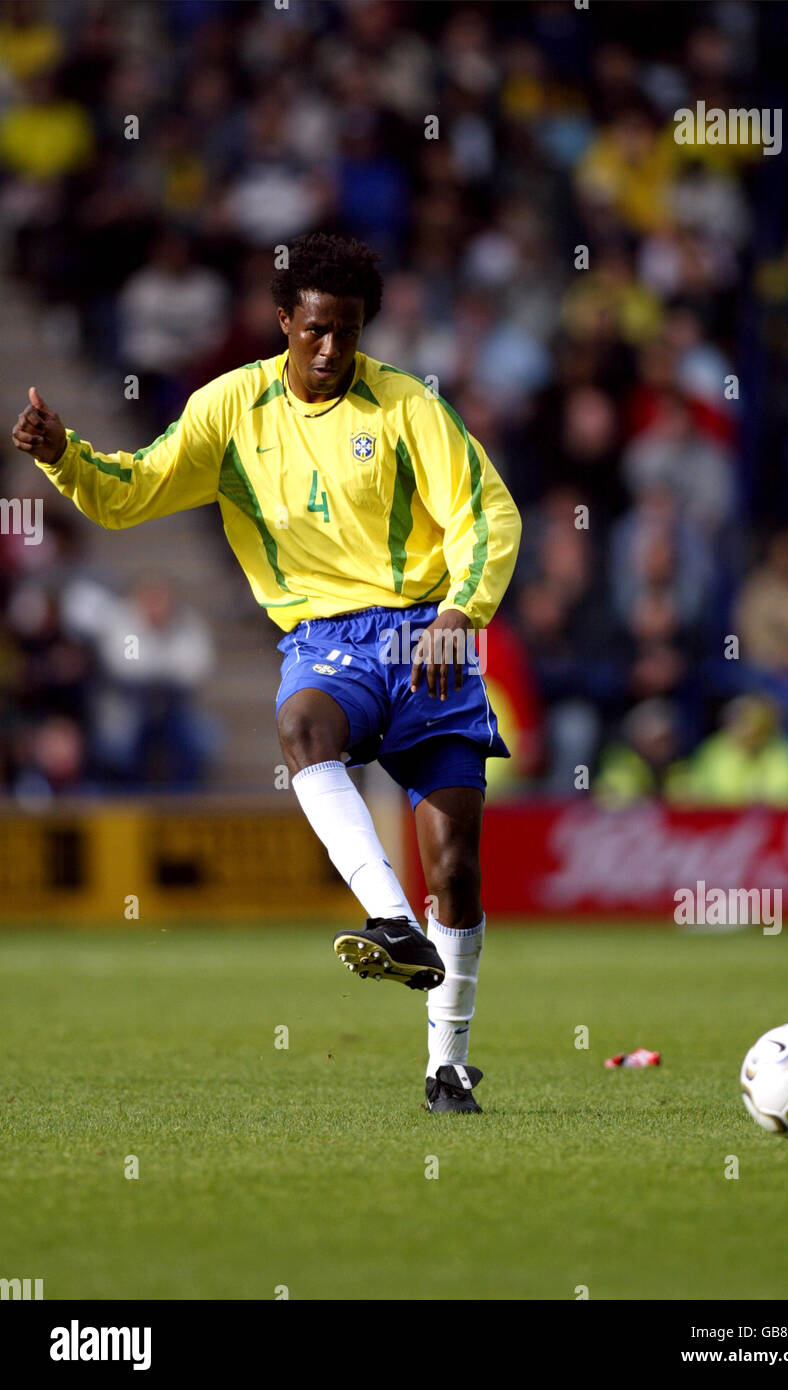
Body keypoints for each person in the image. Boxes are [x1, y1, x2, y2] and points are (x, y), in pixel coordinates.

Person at [12, 232, 522, 1115]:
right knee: (302, 728)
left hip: (426, 637)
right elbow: (134, 490)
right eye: (316, 330)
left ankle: (447, 1065)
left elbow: (486, 511)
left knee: (459, 870)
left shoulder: (407, 406)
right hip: (328, 639)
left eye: (349, 333)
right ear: (283, 320)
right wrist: (64, 455)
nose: (331, 351)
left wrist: (456, 616)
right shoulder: (230, 410)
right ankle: (387, 918)